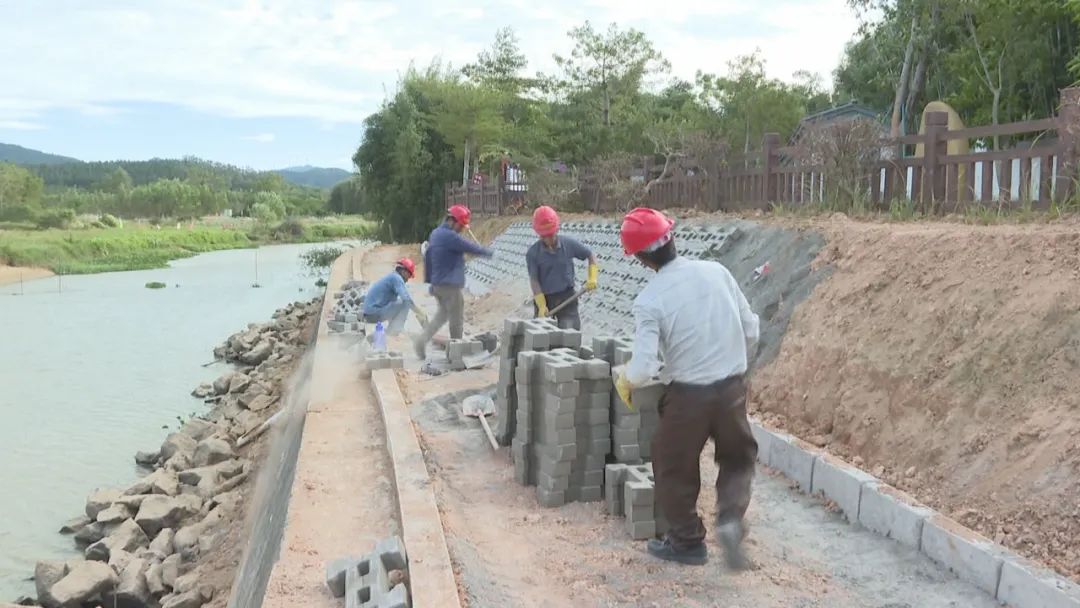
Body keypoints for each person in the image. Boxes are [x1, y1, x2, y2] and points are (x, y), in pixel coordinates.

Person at [613, 207, 760, 568]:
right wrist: (732, 369)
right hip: (731, 390)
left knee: (671, 464)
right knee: (739, 458)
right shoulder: (717, 271)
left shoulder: (649, 300)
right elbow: (752, 329)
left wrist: (626, 380)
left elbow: (646, 366)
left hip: (688, 398)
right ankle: (729, 519)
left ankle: (687, 543)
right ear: (673, 237)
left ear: (641, 259)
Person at [414, 205, 493, 359]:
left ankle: (420, 341)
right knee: (456, 320)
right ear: (453, 221)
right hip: (449, 286)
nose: (462, 229)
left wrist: (430, 283)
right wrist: (488, 252)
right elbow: (469, 247)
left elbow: (428, 257)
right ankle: (457, 354)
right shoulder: (450, 237)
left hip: (438, 285)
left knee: (441, 317)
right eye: (461, 225)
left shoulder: (435, 234)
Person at [525, 206, 599, 330]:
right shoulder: (533, 253)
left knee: (570, 336)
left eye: (551, 235)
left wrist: (592, 277)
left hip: (567, 297)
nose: (548, 239)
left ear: (557, 229)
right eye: (544, 236)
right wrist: (542, 305)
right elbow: (534, 280)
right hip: (545, 298)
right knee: (540, 340)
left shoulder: (568, 244)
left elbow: (590, 255)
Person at [362, 257, 427, 336]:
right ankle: (395, 331)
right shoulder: (396, 278)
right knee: (405, 303)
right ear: (404, 271)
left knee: (398, 303)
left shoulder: (392, 278)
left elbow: (393, 310)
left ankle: (391, 331)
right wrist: (419, 313)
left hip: (370, 314)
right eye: (409, 276)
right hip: (373, 313)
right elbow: (406, 299)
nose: (408, 279)